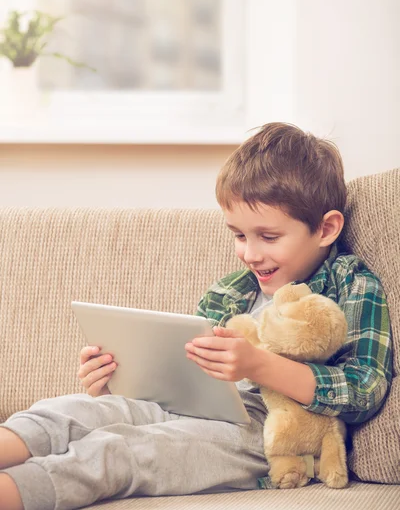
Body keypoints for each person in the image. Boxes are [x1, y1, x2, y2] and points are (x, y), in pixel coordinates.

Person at [0, 123, 393, 510]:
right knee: (72, 410)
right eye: (239, 235)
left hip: (268, 433)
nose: (250, 254)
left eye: (268, 237)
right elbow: (182, 381)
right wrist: (115, 383)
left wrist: (259, 365)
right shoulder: (231, 291)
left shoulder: (352, 285)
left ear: (326, 228)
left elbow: (365, 390)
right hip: (195, 408)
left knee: (119, 451)